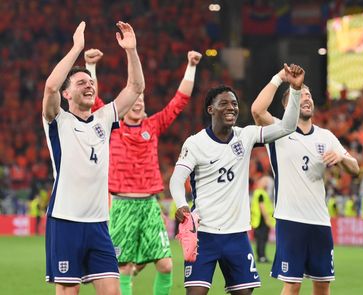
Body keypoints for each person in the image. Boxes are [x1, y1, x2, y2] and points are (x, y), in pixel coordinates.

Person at [169, 63, 304, 294]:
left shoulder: (247, 135)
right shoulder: (195, 143)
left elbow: (289, 127)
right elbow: (176, 179)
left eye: (233, 103)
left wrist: (294, 88)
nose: (231, 107)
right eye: (224, 104)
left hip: (237, 235)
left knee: (244, 292)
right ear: (210, 110)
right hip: (205, 234)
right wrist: (182, 205)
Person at [85, 48, 202, 295]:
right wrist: (90, 66)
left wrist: (191, 66)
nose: (138, 102)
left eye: (141, 100)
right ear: (124, 105)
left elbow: (179, 102)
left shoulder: (153, 125)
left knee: (166, 265)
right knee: (123, 268)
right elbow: (94, 99)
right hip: (121, 205)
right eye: (134, 100)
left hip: (149, 205)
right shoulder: (111, 127)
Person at [42, 21, 144, 295]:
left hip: (99, 223)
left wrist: (131, 51)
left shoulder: (103, 118)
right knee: (68, 291)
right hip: (65, 220)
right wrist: (77, 48)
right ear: (67, 94)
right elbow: (50, 87)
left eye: (91, 82)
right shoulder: (57, 120)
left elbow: (135, 88)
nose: (89, 85)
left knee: (112, 291)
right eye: (80, 83)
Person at [251, 66, 360, 295]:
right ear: (288, 105)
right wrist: (280, 78)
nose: (306, 98)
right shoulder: (279, 130)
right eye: (300, 95)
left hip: (320, 220)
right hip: (290, 219)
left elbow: (355, 168)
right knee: (292, 284)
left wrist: (341, 157)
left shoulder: (326, 136)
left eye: (309, 95)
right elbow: (257, 110)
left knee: (322, 284)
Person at [251, 175, 275, 264]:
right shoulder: (261, 193)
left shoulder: (259, 192)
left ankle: (261, 256)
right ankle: (261, 256)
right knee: (262, 239)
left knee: (261, 239)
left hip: (258, 220)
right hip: (261, 220)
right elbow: (262, 207)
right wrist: (267, 219)